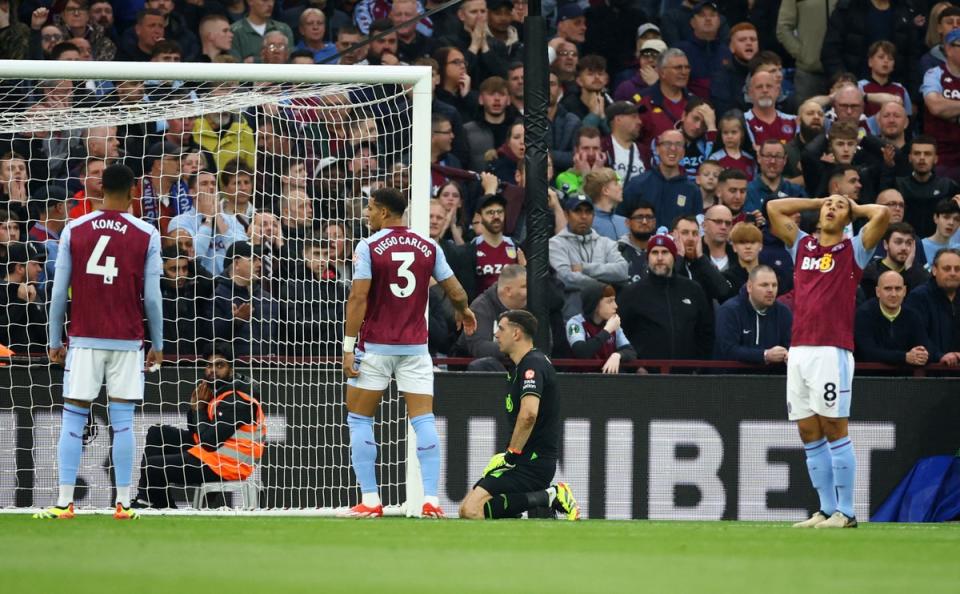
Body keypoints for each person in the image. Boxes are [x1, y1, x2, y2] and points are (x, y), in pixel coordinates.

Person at [38, 164, 164, 520]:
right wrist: (159, 342)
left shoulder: (74, 229)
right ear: (134, 190)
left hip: (84, 339)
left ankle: (64, 503)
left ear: (99, 188)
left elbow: (59, 290)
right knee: (123, 422)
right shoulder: (146, 232)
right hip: (127, 341)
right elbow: (153, 298)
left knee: (74, 420)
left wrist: (53, 339)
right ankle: (123, 503)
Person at [341, 187, 476, 518]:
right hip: (415, 347)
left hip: (375, 345)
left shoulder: (369, 247)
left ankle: (371, 500)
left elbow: (358, 299)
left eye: (371, 208)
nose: (366, 213)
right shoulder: (429, 246)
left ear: (385, 212)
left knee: (359, 418)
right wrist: (465, 310)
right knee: (423, 419)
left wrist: (347, 346)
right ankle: (430, 499)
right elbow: (454, 289)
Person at [767, 193, 890, 529]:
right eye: (828, 206)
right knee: (808, 430)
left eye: (839, 207)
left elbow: (882, 214)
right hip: (799, 350)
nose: (832, 208)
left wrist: (853, 207)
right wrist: (819, 200)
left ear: (848, 219)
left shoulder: (854, 249)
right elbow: (773, 208)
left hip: (831, 350)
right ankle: (825, 509)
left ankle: (847, 512)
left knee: (835, 427)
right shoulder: (802, 245)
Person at [458, 309, 581, 521]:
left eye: (501, 329)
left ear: (516, 334)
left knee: (470, 511)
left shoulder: (532, 365)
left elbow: (529, 415)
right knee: (471, 510)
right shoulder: (519, 367)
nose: (496, 334)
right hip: (525, 461)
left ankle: (551, 496)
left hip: (532, 463)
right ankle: (536, 503)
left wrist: (510, 456)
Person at [133, 343, 263, 509]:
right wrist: (195, 408)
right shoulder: (220, 390)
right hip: (215, 453)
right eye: (209, 365)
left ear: (231, 369)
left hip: (228, 464)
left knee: (153, 466)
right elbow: (195, 430)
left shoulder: (238, 399)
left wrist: (200, 408)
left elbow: (209, 441)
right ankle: (151, 501)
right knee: (157, 433)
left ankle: (155, 504)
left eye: (220, 365)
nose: (213, 370)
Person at [617, 233, 715, 359]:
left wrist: (698, 369)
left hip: (687, 374)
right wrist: (636, 367)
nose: (659, 257)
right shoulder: (631, 293)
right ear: (648, 258)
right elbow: (619, 334)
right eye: (654, 252)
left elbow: (706, 332)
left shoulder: (693, 290)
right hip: (645, 375)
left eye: (665, 252)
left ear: (674, 257)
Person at [714, 265, 792, 364]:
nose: (770, 290)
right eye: (764, 285)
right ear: (749, 287)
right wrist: (764, 355)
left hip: (772, 377)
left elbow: (790, 346)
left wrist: (787, 355)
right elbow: (728, 350)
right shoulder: (729, 311)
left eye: (774, 285)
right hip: (733, 376)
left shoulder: (783, 312)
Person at [855, 270, 932, 366]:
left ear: (904, 291)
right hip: (870, 377)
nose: (893, 294)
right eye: (888, 289)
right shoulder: (863, 314)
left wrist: (922, 354)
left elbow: (924, 347)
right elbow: (867, 352)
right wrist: (905, 357)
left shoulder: (913, 316)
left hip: (905, 378)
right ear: (878, 292)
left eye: (898, 289)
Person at [904, 248, 960, 366]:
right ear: (934, 270)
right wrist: (939, 355)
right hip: (928, 372)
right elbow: (916, 336)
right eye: (947, 268)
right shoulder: (919, 297)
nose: (953, 273)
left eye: (957, 269)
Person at [566, 283, 637, 373]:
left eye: (614, 301)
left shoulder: (612, 323)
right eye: (609, 301)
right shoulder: (575, 323)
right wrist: (607, 330)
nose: (615, 306)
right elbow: (582, 352)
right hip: (580, 380)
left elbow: (631, 352)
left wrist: (618, 355)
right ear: (595, 304)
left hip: (606, 380)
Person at [860, 222, 929, 296]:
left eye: (909, 243)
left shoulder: (920, 274)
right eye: (898, 242)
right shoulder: (871, 274)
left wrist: (910, 269)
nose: (904, 248)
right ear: (886, 245)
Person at [920, 199, 960, 264]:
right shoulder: (920, 246)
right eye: (946, 217)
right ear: (936, 218)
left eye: (956, 219)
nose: (951, 222)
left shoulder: (958, 248)